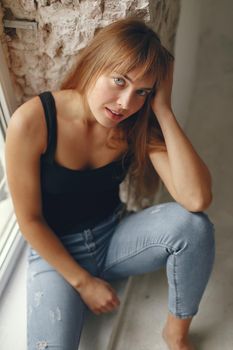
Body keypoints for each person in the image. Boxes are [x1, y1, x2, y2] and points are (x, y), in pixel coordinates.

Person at [5, 17, 215, 350]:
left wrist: (162, 109)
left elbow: (197, 198)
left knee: (194, 226)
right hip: (55, 255)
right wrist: (83, 282)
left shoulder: (134, 124)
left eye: (142, 91)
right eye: (119, 81)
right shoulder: (33, 122)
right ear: (94, 63)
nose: (125, 103)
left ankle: (176, 335)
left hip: (113, 238)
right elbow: (29, 220)